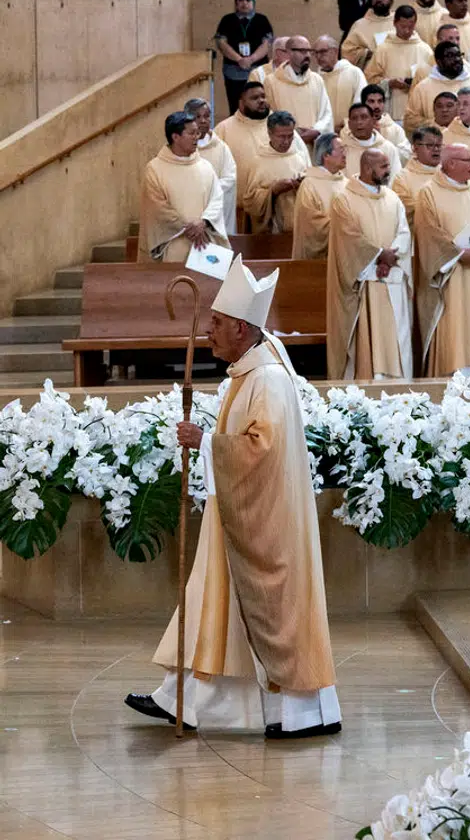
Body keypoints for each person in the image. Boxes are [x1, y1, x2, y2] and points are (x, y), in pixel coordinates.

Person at [125, 258, 338, 737]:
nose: (209, 332)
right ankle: (180, 698)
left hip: (264, 523)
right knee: (211, 604)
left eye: (217, 323)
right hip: (241, 514)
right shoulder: (250, 371)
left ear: (242, 328)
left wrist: (206, 443)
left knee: (262, 614)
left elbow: (262, 449)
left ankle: (298, 714)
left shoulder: (267, 379)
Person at [413, 144, 470, 378]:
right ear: (451, 163)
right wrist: (458, 254)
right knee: (454, 330)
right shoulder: (429, 193)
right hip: (451, 277)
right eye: (468, 160)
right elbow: (428, 233)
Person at [326, 147, 413, 380]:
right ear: (367, 167)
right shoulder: (344, 199)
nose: (388, 171)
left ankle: (399, 384)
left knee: (396, 338)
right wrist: (378, 256)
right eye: (383, 166)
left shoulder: (393, 199)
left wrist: (390, 257)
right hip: (364, 282)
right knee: (368, 341)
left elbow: (404, 232)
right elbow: (349, 239)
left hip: (392, 278)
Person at [140, 110, 228, 262]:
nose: (197, 137)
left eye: (197, 133)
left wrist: (204, 222)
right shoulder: (154, 169)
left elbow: (217, 199)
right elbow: (157, 208)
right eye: (192, 133)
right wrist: (188, 228)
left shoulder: (205, 167)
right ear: (175, 137)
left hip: (205, 243)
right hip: (173, 244)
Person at [364, 6, 433, 128]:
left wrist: (415, 83)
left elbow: (432, 80)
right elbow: (370, 79)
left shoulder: (425, 50)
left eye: (410, 27)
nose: (406, 31)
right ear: (395, 23)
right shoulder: (383, 49)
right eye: (403, 26)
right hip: (392, 111)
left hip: (416, 112)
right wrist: (390, 83)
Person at [239, 111, 307, 233]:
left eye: (290, 136)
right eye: (281, 136)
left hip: (297, 227)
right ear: (270, 134)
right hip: (270, 230)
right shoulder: (258, 162)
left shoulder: (299, 157)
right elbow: (250, 202)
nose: (286, 141)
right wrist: (274, 191)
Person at [260, 35, 332, 146]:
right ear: (289, 52)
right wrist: (292, 135)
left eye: (309, 51)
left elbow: (326, 112)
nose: (307, 55)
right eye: (302, 51)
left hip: (314, 142)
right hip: (286, 144)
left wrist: (317, 130)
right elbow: (269, 116)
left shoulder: (317, 80)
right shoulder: (271, 82)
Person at [214, 0, 274, 113]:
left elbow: (267, 44)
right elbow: (221, 43)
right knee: (236, 105)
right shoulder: (227, 20)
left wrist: (251, 59)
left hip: (258, 69)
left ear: (253, 3)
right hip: (233, 71)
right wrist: (239, 59)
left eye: (248, 0)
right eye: (241, 0)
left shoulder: (262, 20)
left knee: (260, 104)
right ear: (236, 3)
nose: (244, 3)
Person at [405, 41, 470, 134]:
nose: (457, 59)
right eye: (450, 56)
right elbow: (410, 120)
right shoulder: (423, 88)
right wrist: (437, 125)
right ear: (438, 61)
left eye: (459, 55)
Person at [187, 98, 239, 235]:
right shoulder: (182, 148)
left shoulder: (221, 148)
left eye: (206, 116)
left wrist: (207, 189)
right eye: (197, 117)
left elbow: (230, 179)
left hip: (216, 217)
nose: (203, 121)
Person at [292, 132, 347, 259]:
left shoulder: (347, 183)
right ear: (326, 155)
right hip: (318, 259)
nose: (345, 154)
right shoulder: (309, 184)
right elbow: (310, 222)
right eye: (341, 150)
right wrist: (343, 227)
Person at [316, 36, 366, 134]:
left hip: (349, 132)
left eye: (322, 51)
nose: (318, 56)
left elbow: (360, 103)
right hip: (323, 134)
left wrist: (346, 125)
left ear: (335, 51)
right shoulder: (316, 78)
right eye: (316, 53)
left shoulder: (354, 73)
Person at [393, 124, 443, 223]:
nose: (436, 149)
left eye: (439, 145)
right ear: (415, 148)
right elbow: (405, 210)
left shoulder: (448, 173)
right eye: (430, 145)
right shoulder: (402, 178)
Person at [340, 0, 396, 68]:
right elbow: (346, 51)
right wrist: (367, 53)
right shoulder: (360, 24)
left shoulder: (398, 22)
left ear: (391, 1)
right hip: (369, 72)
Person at [340, 101, 401, 178]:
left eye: (364, 117)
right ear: (349, 124)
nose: (359, 122)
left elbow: (395, 178)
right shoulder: (342, 150)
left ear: (373, 121)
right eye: (354, 118)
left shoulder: (388, 148)